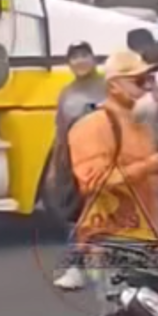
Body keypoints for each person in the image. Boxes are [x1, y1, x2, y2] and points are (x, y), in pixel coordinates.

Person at [63, 50, 158, 316]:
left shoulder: (140, 122)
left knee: (148, 310)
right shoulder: (92, 127)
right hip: (110, 236)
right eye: (139, 81)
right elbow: (93, 181)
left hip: (146, 234)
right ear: (115, 85)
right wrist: (149, 166)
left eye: (149, 80)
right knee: (121, 310)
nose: (147, 87)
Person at [52, 42, 108, 291]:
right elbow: (59, 130)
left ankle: (96, 266)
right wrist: (56, 165)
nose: (80, 61)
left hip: (101, 159)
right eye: (74, 57)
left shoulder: (107, 88)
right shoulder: (66, 93)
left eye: (85, 55)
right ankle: (78, 267)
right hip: (71, 161)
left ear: (94, 59)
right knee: (74, 215)